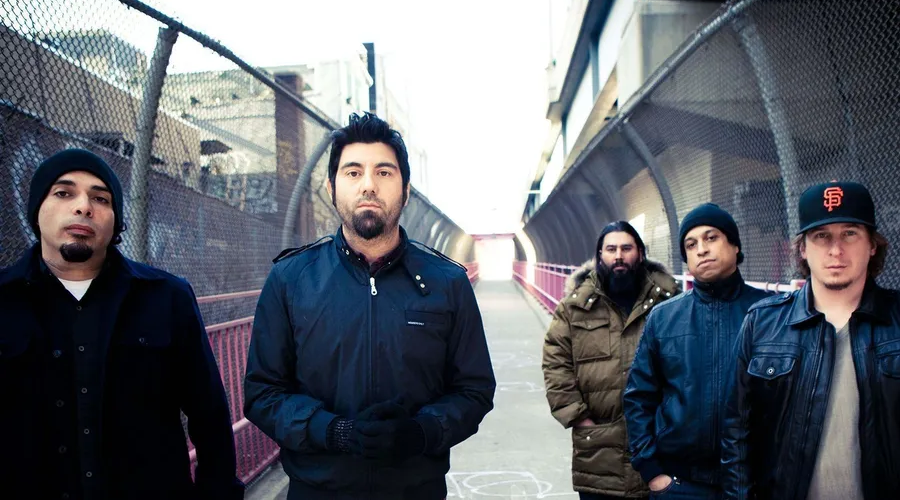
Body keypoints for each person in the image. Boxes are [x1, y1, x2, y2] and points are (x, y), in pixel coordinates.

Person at [243, 112, 495, 500]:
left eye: (384, 172)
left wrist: (421, 432)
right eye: (353, 172)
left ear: (405, 190)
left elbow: (474, 389)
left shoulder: (448, 282)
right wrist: (334, 431)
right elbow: (263, 393)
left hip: (416, 491)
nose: (368, 185)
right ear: (332, 188)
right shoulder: (290, 280)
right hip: (317, 491)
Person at [0, 148, 243, 500]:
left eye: (101, 198)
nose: (83, 207)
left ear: (116, 220)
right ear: (36, 210)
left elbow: (209, 414)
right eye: (64, 193)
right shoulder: (5, 300)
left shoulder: (167, 297)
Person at [721, 181, 899, 499]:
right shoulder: (762, 324)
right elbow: (736, 432)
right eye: (821, 236)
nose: (836, 250)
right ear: (803, 248)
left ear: (872, 244)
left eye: (850, 233)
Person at [624, 204, 767, 499]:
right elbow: (638, 397)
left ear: (735, 245)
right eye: (691, 244)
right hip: (680, 483)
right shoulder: (664, 318)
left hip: (756, 481)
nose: (702, 249)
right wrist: (653, 473)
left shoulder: (769, 312)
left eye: (711, 238)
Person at [543, 221, 680, 499]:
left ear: (640, 253)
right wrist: (580, 418)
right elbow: (556, 363)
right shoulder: (574, 307)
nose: (618, 256)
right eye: (611, 249)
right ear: (599, 255)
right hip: (599, 447)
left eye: (626, 248)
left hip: (660, 443)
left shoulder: (670, 302)